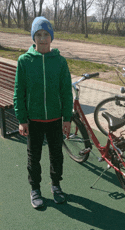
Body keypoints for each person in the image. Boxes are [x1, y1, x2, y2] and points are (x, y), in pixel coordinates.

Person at [13, 16, 73, 209]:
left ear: (51, 37)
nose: (42, 38)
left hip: (55, 119)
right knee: (34, 156)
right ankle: (35, 188)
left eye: (46, 34)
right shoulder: (25, 61)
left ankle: (56, 185)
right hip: (34, 120)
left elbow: (65, 91)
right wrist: (22, 119)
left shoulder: (60, 62)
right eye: (38, 34)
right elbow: (18, 92)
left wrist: (67, 118)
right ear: (33, 37)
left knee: (56, 155)